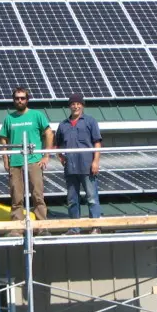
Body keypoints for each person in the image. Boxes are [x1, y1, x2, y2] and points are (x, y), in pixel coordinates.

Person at [0, 86, 53, 236]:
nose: (20, 100)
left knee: (37, 195)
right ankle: (17, 228)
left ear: (27, 100)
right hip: (15, 162)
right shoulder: (9, 118)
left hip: (34, 161)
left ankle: (41, 226)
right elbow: (3, 138)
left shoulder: (37, 115)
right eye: (17, 98)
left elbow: (48, 133)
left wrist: (46, 155)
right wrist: (5, 157)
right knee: (16, 196)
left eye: (22, 98)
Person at [55, 93, 103, 235]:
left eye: (78, 104)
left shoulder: (90, 121)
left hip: (87, 166)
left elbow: (97, 143)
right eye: (73, 104)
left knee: (92, 198)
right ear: (69, 106)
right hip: (70, 168)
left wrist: (95, 161)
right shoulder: (63, 125)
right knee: (72, 200)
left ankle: (95, 226)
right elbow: (57, 145)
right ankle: (74, 228)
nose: (75, 106)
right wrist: (61, 157)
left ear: (82, 105)